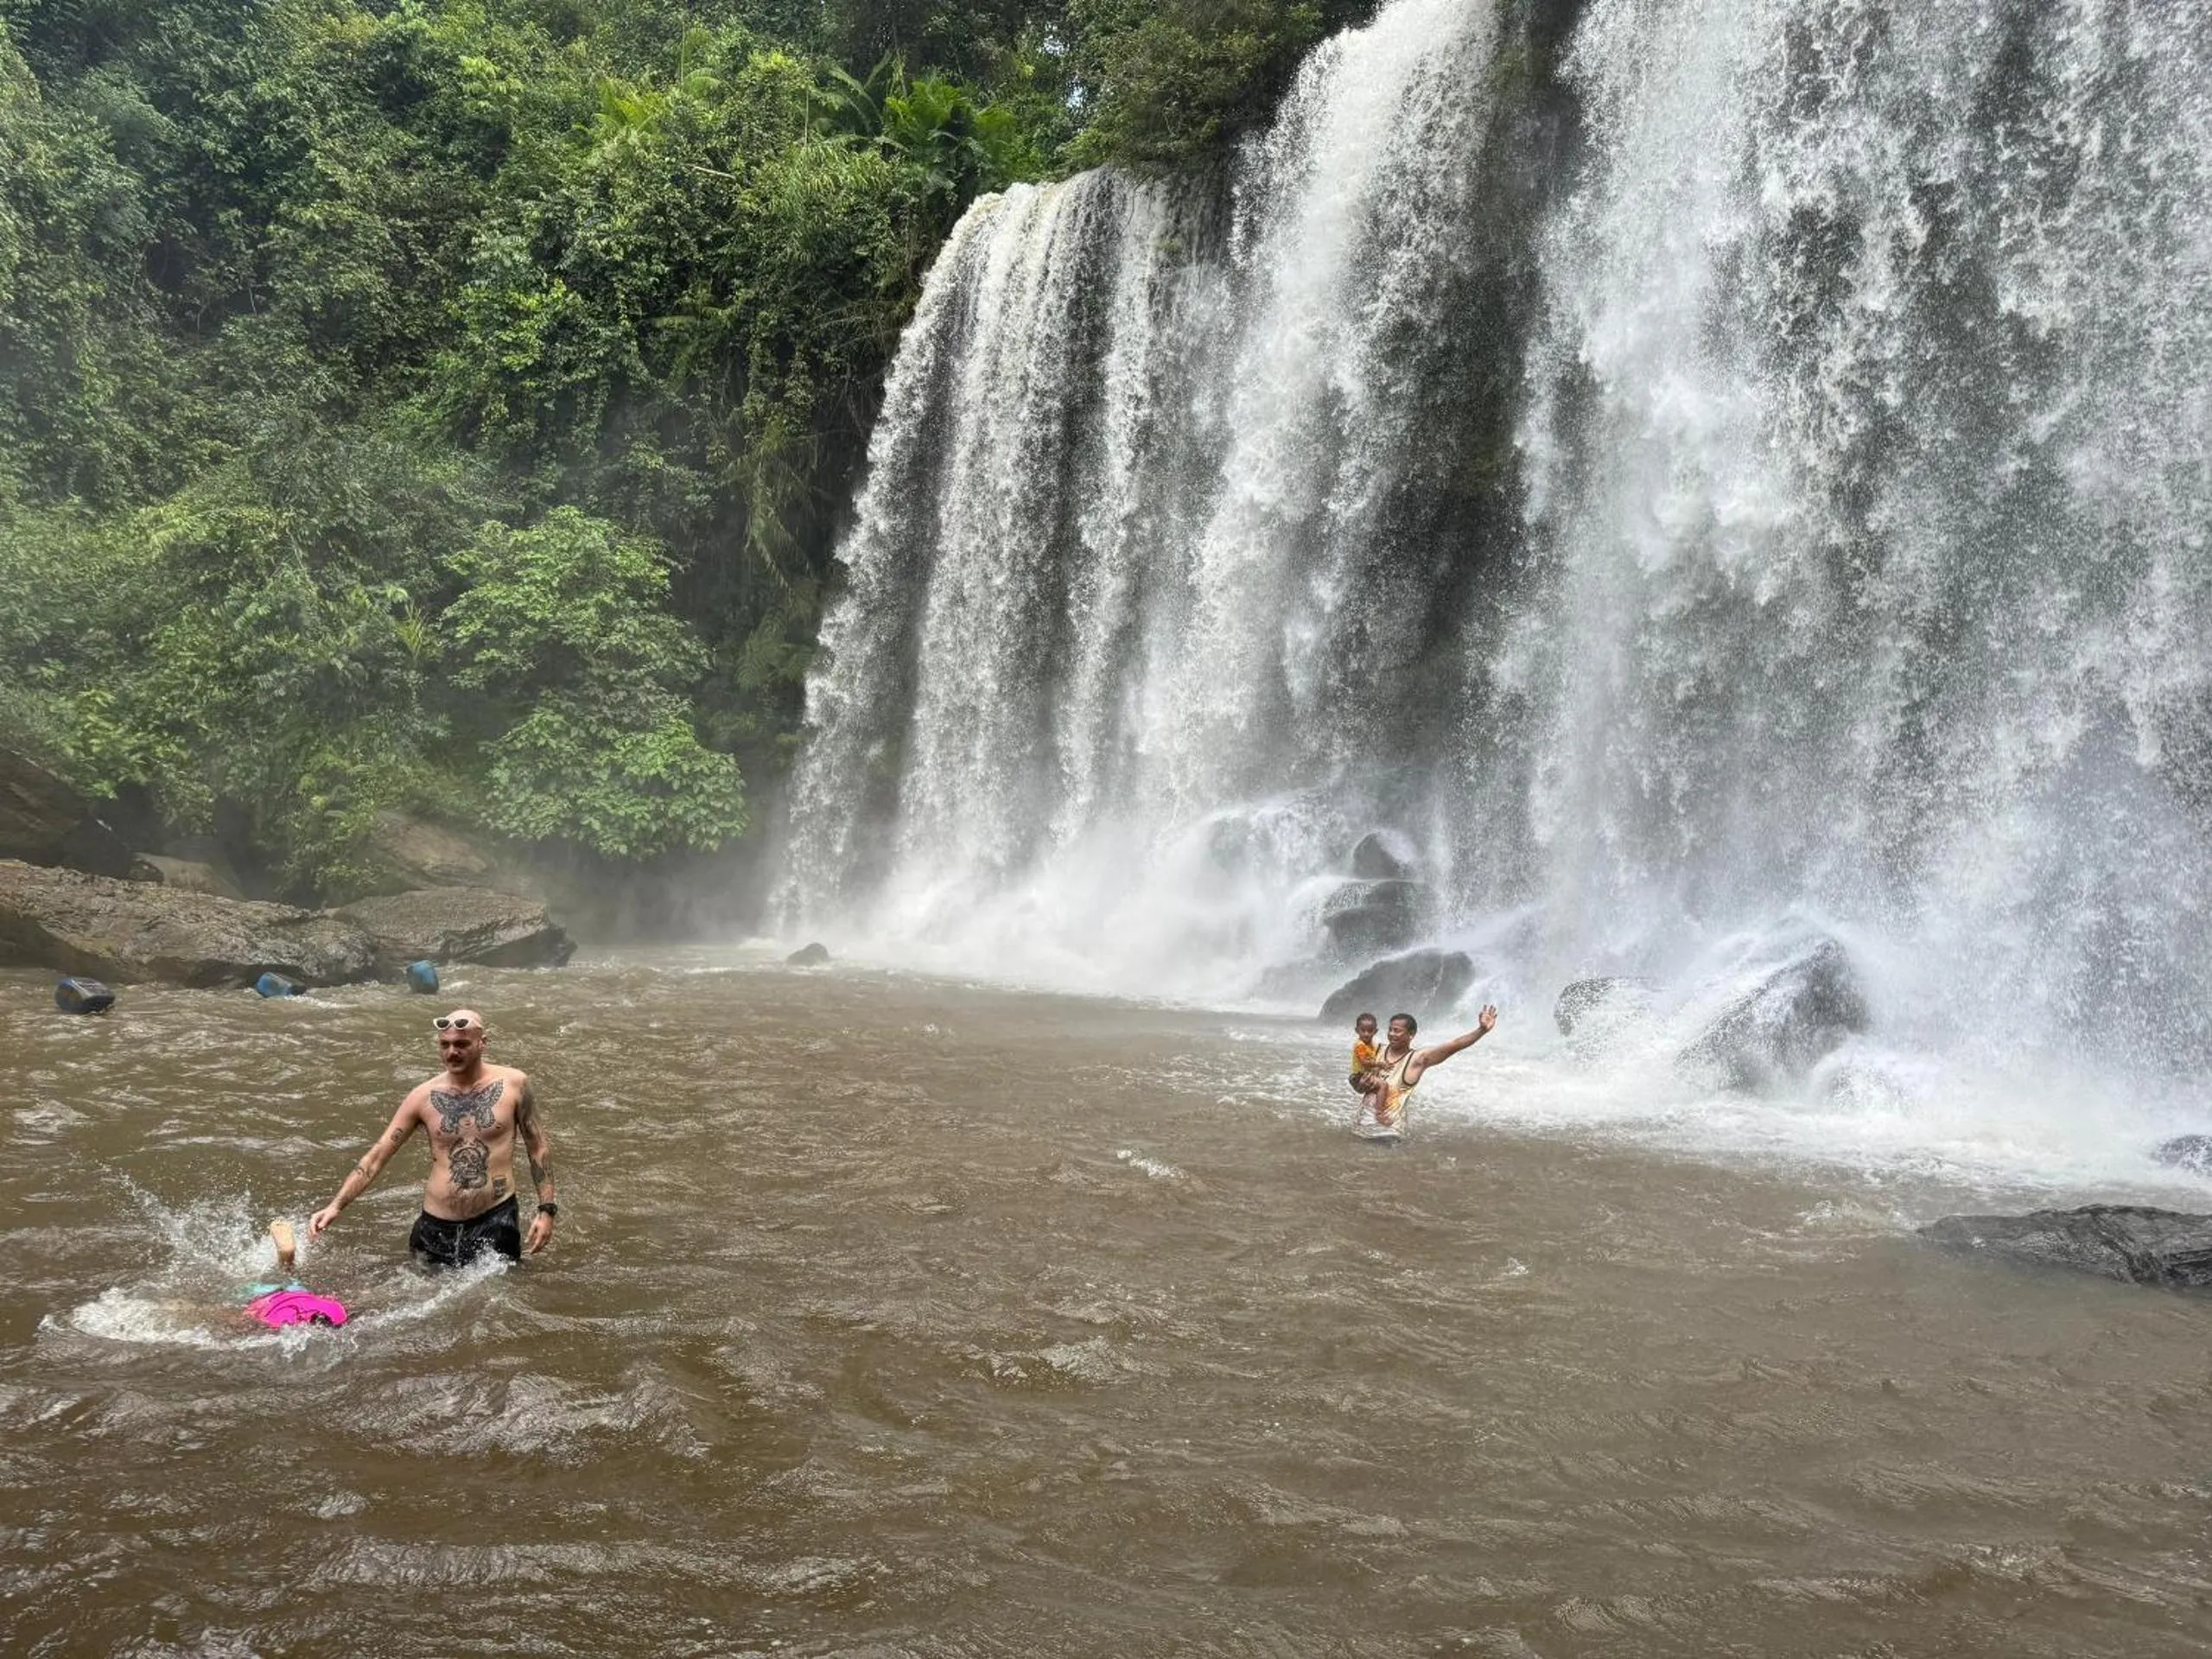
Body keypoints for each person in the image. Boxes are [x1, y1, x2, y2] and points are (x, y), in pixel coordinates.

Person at [308, 1008, 558, 1268]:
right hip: (435, 1229)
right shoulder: (422, 1096)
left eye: (462, 1044)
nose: (452, 1052)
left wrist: (547, 1209)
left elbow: (537, 1146)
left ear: (483, 1043)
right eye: (445, 1045)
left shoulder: (514, 1084)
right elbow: (377, 1156)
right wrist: (336, 1206)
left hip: (495, 1221)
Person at [1358, 1005, 1500, 1138]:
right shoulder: (1375, 1051)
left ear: (1411, 1034)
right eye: (1390, 1030)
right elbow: (1359, 1086)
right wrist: (1360, 1086)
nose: (1391, 1034)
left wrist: (1481, 1030)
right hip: (1361, 1129)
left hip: (1387, 1134)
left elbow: (1453, 1046)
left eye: (1397, 1031)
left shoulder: (1416, 1060)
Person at [238, 1219, 347, 1328]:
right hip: (267, 1298)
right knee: (245, 1287)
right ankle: (286, 1263)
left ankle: (287, 1262)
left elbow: (329, 1299)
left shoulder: (337, 1315)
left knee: (289, 1277)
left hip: (299, 1293)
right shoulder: (281, 1324)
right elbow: (248, 1317)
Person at [1348, 1012, 1385, 1118]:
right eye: (1363, 1031)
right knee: (1383, 1085)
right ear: (1357, 1031)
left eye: (1370, 1031)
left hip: (1363, 1075)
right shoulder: (1360, 1045)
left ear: (1376, 1031)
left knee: (1372, 1091)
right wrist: (1380, 1064)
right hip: (1359, 1077)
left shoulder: (1371, 1044)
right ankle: (1379, 1112)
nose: (1366, 1034)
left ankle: (1362, 1114)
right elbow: (1364, 1062)